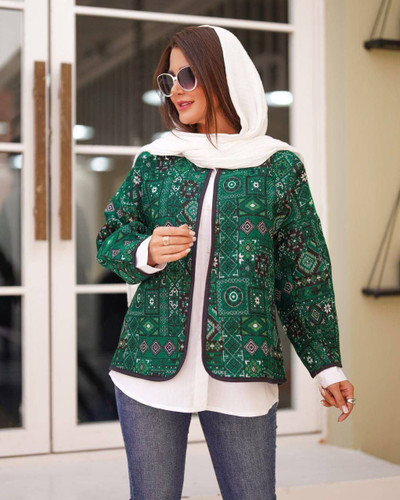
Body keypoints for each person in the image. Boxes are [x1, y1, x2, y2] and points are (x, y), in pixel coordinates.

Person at [96, 24, 356, 500]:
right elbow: (111, 235)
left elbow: (304, 274)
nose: (175, 90)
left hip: (244, 368)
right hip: (149, 365)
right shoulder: (157, 161)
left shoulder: (278, 166)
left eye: (187, 76)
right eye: (168, 80)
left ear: (223, 73)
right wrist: (145, 251)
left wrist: (326, 366)